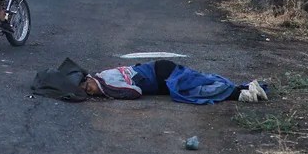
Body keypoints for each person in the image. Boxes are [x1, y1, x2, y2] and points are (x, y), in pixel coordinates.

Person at [79, 60, 269, 103]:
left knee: (190, 92)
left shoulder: (106, 81)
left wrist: (108, 93)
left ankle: (240, 93)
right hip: (160, 70)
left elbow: (134, 92)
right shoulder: (103, 74)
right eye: (88, 92)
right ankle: (245, 89)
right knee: (199, 82)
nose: (91, 91)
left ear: (90, 79)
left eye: (89, 87)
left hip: (162, 74)